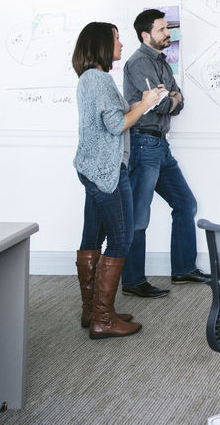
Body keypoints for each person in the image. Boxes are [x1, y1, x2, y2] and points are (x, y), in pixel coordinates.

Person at [72, 21, 164, 339]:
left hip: (92, 168)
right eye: (115, 39)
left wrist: (143, 101)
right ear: (101, 44)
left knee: (92, 239)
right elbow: (117, 125)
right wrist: (146, 105)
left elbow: (113, 117)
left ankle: (94, 310)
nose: (121, 45)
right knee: (121, 238)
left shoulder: (89, 78)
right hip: (107, 172)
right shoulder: (100, 80)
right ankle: (103, 319)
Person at [120, 8, 209, 299]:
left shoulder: (160, 61)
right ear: (146, 35)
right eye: (162, 29)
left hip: (161, 146)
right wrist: (170, 98)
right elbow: (158, 104)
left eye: (167, 29)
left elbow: (178, 99)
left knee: (185, 203)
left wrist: (171, 97)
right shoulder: (137, 63)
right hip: (144, 145)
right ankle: (133, 280)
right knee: (138, 216)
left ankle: (183, 269)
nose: (168, 33)